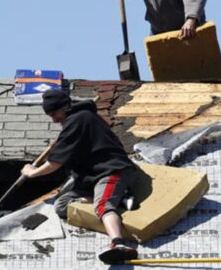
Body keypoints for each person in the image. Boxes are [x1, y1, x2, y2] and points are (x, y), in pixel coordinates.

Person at [20, 89, 139, 264]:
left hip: (111, 170)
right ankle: (121, 200)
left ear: (66, 106)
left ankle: (119, 244)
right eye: (50, 116)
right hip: (91, 176)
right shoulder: (78, 120)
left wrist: (32, 172)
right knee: (61, 205)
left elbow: (55, 163)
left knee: (103, 204)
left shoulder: (79, 119)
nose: (54, 119)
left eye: (54, 114)